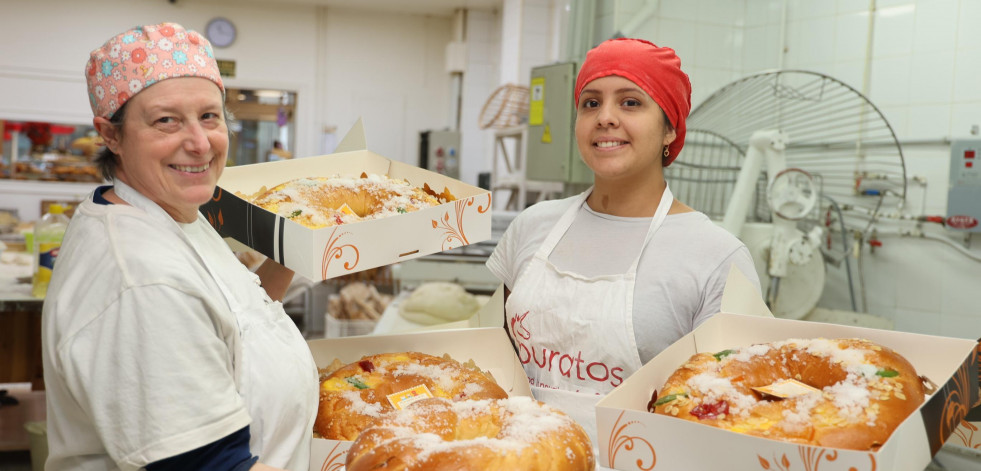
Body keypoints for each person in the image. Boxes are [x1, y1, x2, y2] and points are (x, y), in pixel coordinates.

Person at [41, 23, 317, 471]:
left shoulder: (174, 212)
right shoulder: (141, 280)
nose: (199, 143)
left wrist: (302, 237)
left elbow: (237, 316)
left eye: (209, 116)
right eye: (166, 120)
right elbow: (210, 466)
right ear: (110, 135)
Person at [485, 38, 761, 443]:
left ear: (670, 128)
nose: (605, 117)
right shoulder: (533, 226)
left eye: (630, 102)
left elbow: (733, 410)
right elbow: (499, 360)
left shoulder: (717, 257)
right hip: (519, 454)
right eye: (591, 103)